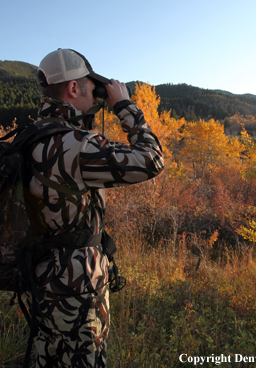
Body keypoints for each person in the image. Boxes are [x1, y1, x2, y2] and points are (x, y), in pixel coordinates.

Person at [25, 48, 164, 367]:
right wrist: (124, 106)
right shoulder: (77, 145)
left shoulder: (32, 137)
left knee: (50, 356)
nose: (97, 93)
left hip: (40, 275)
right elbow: (151, 159)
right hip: (77, 286)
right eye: (91, 85)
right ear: (73, 88)